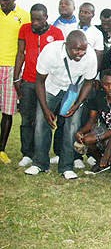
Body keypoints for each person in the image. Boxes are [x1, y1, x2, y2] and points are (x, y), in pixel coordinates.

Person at [24, 31, 97, 179]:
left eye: (83, 49)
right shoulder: (51, 51)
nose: (81, 53)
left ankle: (66, 166)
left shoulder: (90, 55)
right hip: (51, 88)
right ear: (66, 45)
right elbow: (39, 81)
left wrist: (78, 104)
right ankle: (40, 163)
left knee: (72, 126)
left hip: (74, 91)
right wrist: (45, 109)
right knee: (41, 123)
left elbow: (89, 82)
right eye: (76, 49)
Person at [15, 3, 64, 167]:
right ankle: (27, 153)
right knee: (27, 118)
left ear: (47, 18)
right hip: (28, 80)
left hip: (48, 83)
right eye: (33, 19)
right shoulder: (25, 29)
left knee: (44, 118)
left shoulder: (56, 33)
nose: (35, 23)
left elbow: (60, 58)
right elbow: (20, 53)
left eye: (39, 19)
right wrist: (17, 78)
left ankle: (41, 153)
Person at [0, 0, 30, 164]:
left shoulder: (25, 17)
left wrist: (20, 72)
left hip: (12, 69)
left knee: (8, 112)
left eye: (5, 0)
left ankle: (1, 150)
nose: (2, 3)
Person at [75, 69, 111, 173]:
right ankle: (101, 162)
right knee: (86, 139)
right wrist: (81, 132)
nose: (110, 88)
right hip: (106, 128)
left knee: (107, 141)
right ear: (102, 84)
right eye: (106, 84)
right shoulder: (98, 96)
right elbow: (91, 120)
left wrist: (98, 137)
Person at [64, 2, 104, 71]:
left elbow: (98, 58)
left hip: (86, 70)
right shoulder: (68, 28)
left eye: (86, 13)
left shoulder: (97, 33)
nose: (82, 14)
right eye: (81, 12)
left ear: (93, 15)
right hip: (68, 69)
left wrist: (93, 75)